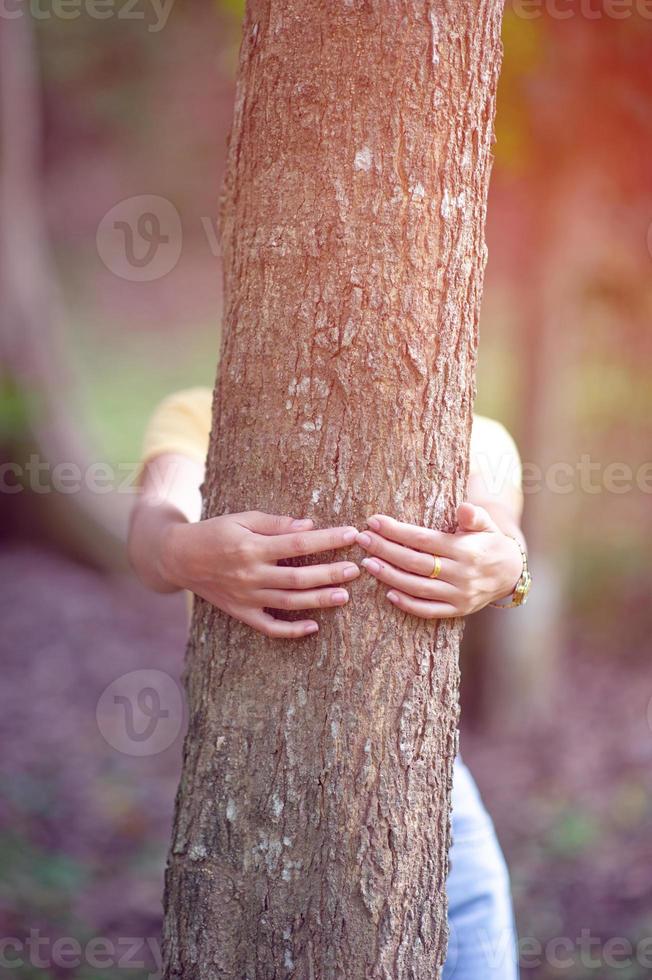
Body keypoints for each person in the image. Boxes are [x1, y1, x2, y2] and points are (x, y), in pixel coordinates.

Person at [128, 385, 527, 979]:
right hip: (242, 796)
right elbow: (155, 522)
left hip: (427, 797)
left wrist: (507, 569)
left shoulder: (479, 434)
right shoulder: (201, 412)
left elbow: (502, 533)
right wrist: (176, 550)